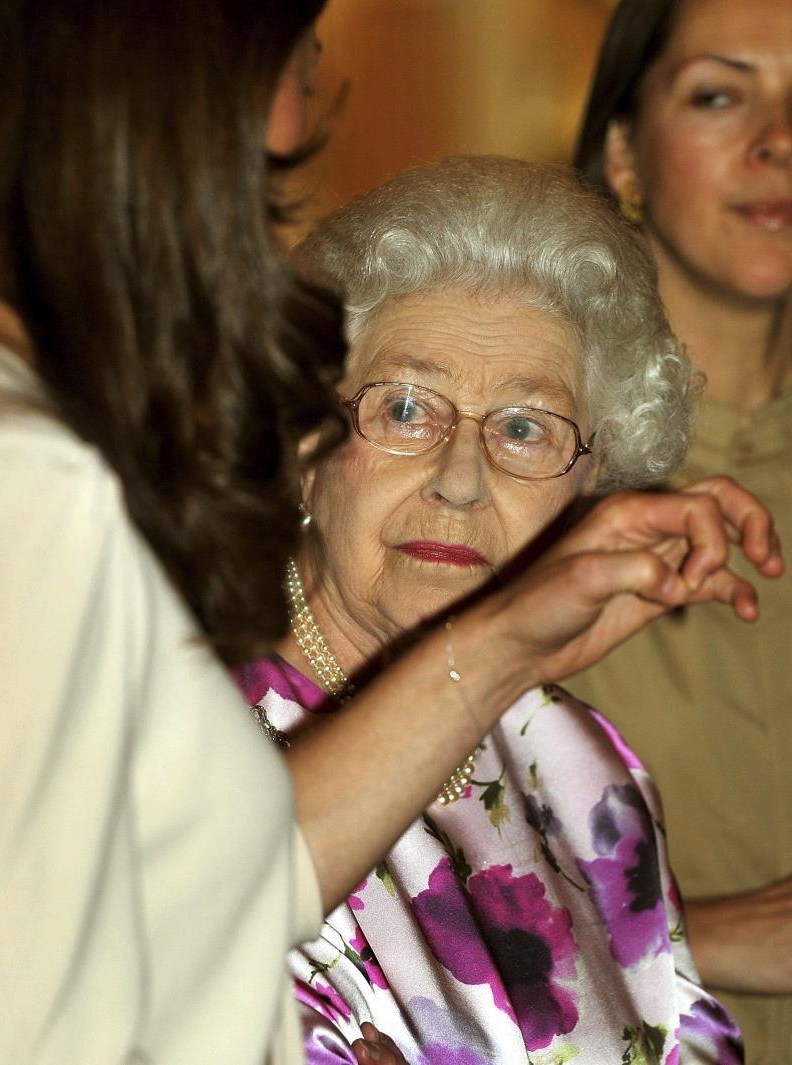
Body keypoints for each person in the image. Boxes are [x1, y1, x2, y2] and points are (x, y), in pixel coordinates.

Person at [0, 0, 780, 1059]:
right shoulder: (9, 480)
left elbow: (205, 883)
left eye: (523, 430)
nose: (298, 119)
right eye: (285, 69)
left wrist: (505, 639)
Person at [234, 154, 777, 1063]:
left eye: (525, 427)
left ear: (588, 483)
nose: (460, 477)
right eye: (406, 408)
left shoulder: (575, 766)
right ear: (304, 439)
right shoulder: (188, 735)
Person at [565, 0, 792, 1063]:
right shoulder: (519, 467)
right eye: (719, 93)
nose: (778, 138)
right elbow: (355, 888)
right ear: (620, 150)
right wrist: (701, 935)